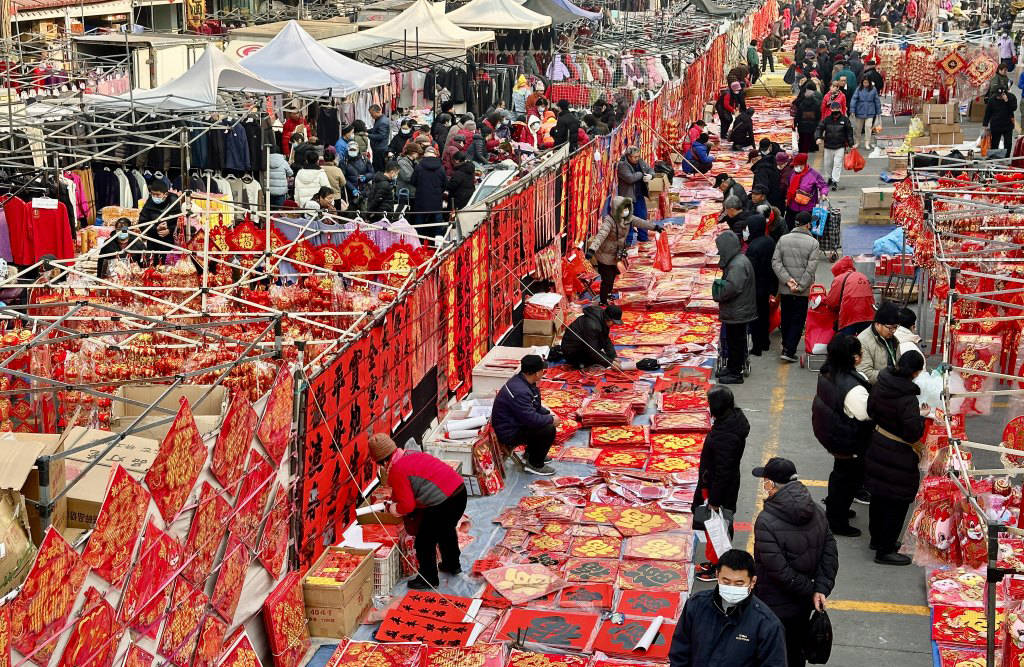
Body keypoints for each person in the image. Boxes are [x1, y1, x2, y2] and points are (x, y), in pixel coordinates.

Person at [752, 457, 838, 667]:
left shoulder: (765, 521)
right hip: (802, 606)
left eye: (765, 480)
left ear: (771, 485)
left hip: (773, 603)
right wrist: (820, 588)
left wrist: (810, 589)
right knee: (795, 651)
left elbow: (778, 570)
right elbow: (830, 550)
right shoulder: (816, 510)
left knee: (772, 652)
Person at [369, 433, 467, 588]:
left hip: (444, 502)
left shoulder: (397, 469)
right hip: (459, 491)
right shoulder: (410, 454)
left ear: (381, 461)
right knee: (445, 530)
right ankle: (452, 564)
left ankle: (428, 579)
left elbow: (407, 506)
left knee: (424, 540)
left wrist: (393, 508)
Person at [670, 548, 787, 667]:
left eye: (739, 584)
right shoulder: (696, 605)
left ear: (753, 582)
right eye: (726, 582)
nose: (732, 587)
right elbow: (679, 652)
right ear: (717, 575)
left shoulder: (767, 625)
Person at [865, 351, 928, 565]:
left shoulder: (882, 383)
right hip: (898, 454)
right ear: (916, 372)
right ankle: (885, 550)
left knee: (879, 496)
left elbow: (870, 409)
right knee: (897, 502)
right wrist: (921, 419)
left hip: (878, 444)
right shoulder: (908, 399)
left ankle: (877, 539)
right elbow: (912, 432)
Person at [813, 334, 874, 535]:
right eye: (860, 352)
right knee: (847, 480)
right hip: (848, 440)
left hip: (831, 433)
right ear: (854, 358)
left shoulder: (828, 372)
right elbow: (866, 414)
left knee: (840, 475)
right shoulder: (853, 387)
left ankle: (836, 510)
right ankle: (837, 521)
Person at [693, 386, 750, 580]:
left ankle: (717, 566)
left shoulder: (727, 434)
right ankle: (717, 562)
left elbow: (723, 470)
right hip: (722, 483)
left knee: (717, 528)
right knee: (718, 526)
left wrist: (714, 499)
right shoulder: (732, 421)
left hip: (720, 488)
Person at [585, 197, 662, 305]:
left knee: (613, 276)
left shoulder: (628, 218)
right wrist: (592, 250)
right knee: (607, 279)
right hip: (605, 254)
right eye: (624, 208)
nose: (626, 211)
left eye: (627, 208)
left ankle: (607, 294)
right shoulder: (609, 221)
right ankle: (603, 301)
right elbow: (601, 236)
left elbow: (640, 222)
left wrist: (655, 227)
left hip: (616, 254)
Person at [490, 354, 558, 476]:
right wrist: (550, 419)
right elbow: (531, 419)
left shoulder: (524, 381)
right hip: (508, 432)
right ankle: (534, 464)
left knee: (545, 421)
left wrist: (548, 413)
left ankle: (531, 453)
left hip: (515, 423)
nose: (544, 373)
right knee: (548, 429)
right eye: (543, 370)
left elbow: (534, 406)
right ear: (537, 373)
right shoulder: (520, 391)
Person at [772, 210, 823, 362]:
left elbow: (776, 262)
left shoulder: (783, 239)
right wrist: (800, 286)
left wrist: (787, 280)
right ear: (808, 225)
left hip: (786, 288)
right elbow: (811, 268)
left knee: (786, 316)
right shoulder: (813, 243)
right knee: (798, 319)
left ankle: (786, 345)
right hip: (802, 290)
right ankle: (789, 351)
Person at [714, 231, 757, 384]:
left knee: (736, 342)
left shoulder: (737, 264)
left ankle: (735, 373)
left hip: (738, 310)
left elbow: (733, 288)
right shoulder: (737, 260)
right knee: (733, 341)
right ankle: (732, 367)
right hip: (738, 309)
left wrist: (719, 293)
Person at [745, 214, 778, 356]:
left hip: (756, 286)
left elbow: (750, 269)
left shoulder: (753, 246)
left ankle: (757, 346)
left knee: (755, 317)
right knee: (764, 314)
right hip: (768, 284)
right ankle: (765, 342)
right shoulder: (770, 241)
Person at [561, 304, 621, 369]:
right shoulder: (592, 325)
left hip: (583, 345)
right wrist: (610, 362)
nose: (614, 325)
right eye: (614, 322)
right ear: (608, 318)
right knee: (597, 362)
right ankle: (579, 363)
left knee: (602, 357)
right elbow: (592, 350)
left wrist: (613, 356)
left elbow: (606, 339)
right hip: (572, 352)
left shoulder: (603, 318)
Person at [825, 255, 875, 335]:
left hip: (850, 315)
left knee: (846, 343)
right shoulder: (862, 276)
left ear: (838, 269)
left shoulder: (839, 279)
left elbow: (832, 302)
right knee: (864, 342)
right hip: (868, 314)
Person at [856, 301, 901, 383]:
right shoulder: (863, 341)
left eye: (896, 327)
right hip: (876, 390)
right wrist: (892, 377)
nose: (894, 331)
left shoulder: (892, 338)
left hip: (891, 384)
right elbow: (865, 373)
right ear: (878, 324)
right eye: (891, 328)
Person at [617, 147, 655, 242]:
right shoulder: (622, 165)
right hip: (627, 197)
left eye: (638, 156)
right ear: (629, 156)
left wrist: (651, 175)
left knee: (642, 217)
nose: (637, 159)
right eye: (635, 157)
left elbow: (650, 169)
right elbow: (630, 178)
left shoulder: (640, 161)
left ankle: (643, 238)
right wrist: (642, 174)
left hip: (639, 195)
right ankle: (628, 242)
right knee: (628, 220)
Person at [783, 153, 828, 230]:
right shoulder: (792, 174)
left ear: (803, 164)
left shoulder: (814, 174)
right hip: (792, 207)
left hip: (807, 210)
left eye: (797, 165)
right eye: (794, 165)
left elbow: (824, 186)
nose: (795, 167)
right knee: (790, 228)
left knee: (806, 230)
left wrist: (823, 194)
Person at [139, 180, 180, 265]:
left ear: (165, 194)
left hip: (170, 243)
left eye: (157, 195)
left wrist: (169, 230)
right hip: (153, 242)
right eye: (152, 194)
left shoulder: (174, 201)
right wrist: (156, 228)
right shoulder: (149, 203)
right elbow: (142, 223)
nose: (155, 197)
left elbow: (179, 222)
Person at [412, 146, 448, 240]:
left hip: (421, 198)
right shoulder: (441, 168)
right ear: (435, 155)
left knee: (419, 220)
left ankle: (418, 240)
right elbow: (445, 184)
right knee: (438, 221)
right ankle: (438, 241)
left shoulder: (419, 166)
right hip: (436, 199)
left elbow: (413, 181)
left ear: (425, 155)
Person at [816, 101, 855, 189]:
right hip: (828, 145)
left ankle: (835, 181)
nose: (835, 110)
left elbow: (849, 132)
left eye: (837, 109)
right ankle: (829, 177)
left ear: (840, 109)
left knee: (837, 164)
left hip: (840, 146)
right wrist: (818, 137)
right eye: (834, 109)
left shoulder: (845, 120)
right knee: (827, 164)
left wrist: (851, 144)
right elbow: (819, 128)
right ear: (831, 109)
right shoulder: (826, 120)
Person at [984, 87, 1018, 154]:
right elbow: (988, 112)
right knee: (994, 143)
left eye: (1000, 96)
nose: (998, 97)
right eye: (997, 95)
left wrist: (1007, 101)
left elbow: (1014, 108)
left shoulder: (1011, 97)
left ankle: (1006, 158)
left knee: (1008, 143)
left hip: (1008, 124)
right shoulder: (992, 99)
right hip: (996, 124)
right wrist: (985, 124)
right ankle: (994, 158)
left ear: (1004, 94)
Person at [850, 78, 882, 149]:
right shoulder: (858, 89)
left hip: (870, 111)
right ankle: (857, 142)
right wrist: (852, 110)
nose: (865, 84)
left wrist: (878, 111)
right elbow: (854, 99)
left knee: (868, 127)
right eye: (864, 83)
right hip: (860, 111)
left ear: (869, 83)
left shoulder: (873, 89)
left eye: (867, 83)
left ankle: (867, 142)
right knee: (858, 128)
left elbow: (877, 100)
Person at [794, 84, 822, 153]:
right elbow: (818, 115)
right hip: (812, 125)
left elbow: (798, 115)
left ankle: (803, 150)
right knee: (811, 136)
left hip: (802, 125)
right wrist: (817, 122)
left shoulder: (801, 104)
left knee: (803, 138)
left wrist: (795, 123)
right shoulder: (816, 104)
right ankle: (812, 148)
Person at [396, 143, 420, 209]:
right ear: (412, 152)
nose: (418, 154)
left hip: (412, 193)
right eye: (417, 152)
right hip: (405, 193)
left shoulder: (415, 162)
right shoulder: (402, 162)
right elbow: (408, 177)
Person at [367, 104, 391, 170]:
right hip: (377, 148)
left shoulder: (383, 121)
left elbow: (381, 136)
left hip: (380, 149)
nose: (371, 116)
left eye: (372, 114)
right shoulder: (379, 119)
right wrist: (367, 130)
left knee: (379, 167)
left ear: (377, 112)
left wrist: (368, 135)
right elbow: (375, 129)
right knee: (376, 165)